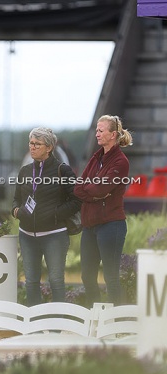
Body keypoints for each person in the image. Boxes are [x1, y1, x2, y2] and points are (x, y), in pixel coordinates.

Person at [12, 127, 81, 306]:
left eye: (37, 144)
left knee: (56, 281)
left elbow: (76, 200)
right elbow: (15, 199)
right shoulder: (25, 171)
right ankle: (33, 325)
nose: (32, 147)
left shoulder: (62, 170)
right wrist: (16, 211)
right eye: (31, 143)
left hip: (55, 235)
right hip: (27, 235)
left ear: (49, 147)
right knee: (31, 281)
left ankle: (56, 325)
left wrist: (55, 214)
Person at [74, 115, 133, 306]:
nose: (97, 134)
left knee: (111, 277)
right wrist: (94, 192)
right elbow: (78, 187)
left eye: (101, 131)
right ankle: (95, 318)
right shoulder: (96, 157)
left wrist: (92, 190)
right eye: (97, 130)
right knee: (87, 277)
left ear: (112, 134)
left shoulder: (120, 161)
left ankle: (116, 323)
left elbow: (101, 188)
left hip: (111, 225)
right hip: (90, 226)